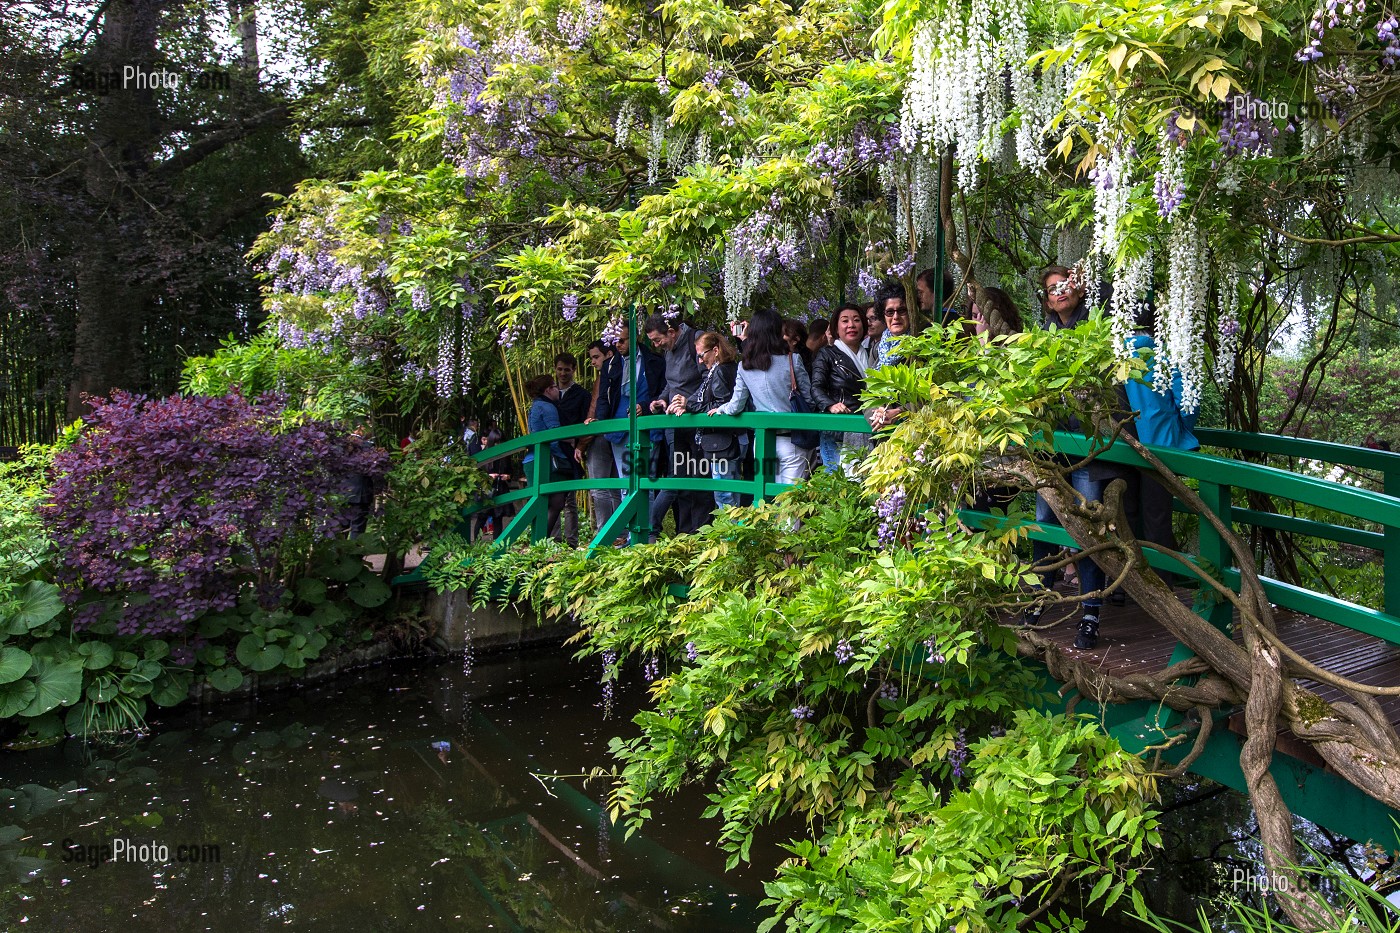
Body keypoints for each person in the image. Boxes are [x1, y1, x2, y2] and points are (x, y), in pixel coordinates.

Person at [1026, 265, 1111, 649]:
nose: (1058, 293)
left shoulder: (1096, 320)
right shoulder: (1045, 333)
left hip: (1087, 444)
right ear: (1045, 300)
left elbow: (1113, 296)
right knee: (1044, 522)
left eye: (1065, 286)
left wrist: (1089, 279)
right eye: (1051, 290)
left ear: (1077, 289)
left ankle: (1091, 612)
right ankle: (1040, 596)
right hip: (1051, 445)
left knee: (1087, 528)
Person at [1123, 304, 1199, 587]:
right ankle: (1161, 583)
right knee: (1156, 518)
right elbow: (1188, 402)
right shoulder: (1166, 354)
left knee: (1129, 516)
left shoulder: (1113, 354)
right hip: (1161, 446)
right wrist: (1181, 431)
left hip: (1121, 448)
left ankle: (1131, 586)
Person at [708, 308, 814, 486]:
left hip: (763, 442)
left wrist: (720, 409)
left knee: (765, 501)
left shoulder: (745, 366)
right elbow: (809, 399)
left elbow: (736, 406)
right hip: (793, 439)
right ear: (778, 331)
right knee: (790, 502)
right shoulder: (792, 359)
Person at [645, 311, 709, 536]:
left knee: (700, 477)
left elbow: (710, 380)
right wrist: (662, 399)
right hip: (676, 424)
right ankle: (684, 534)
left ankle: (701, 533)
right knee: (680, 479)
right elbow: (672, 384)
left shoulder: (696, 341)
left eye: (657, 340)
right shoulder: (668, 350)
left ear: (671, 332)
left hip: (698, 421)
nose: (656, 345)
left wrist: (689, 403)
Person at [673, 331, 741, 509]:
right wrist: (684, 404)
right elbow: (699, 399)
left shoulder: (720, 371)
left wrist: (688, 405)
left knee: (724, 495)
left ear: (715, 350)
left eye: (702, 355)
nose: (700, 361)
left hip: (722, 442)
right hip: (722, 442)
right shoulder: (718, 370)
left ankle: (730, 535)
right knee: (728, 492)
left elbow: (720, 405)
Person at [811, 303, 873, 471]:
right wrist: (830, 405)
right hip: (838, 432)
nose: (851, 325)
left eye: (856, 320)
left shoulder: (871, 353)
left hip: (868, 428)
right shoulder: (827, 354)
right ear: (836, 328)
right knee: (838, 486)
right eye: (845, 321)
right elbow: (816, 387)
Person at [524, 374, 573, 546]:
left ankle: (538, 542)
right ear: (548, 390)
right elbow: (554, 434)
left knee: (546, 502)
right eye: (554, 387)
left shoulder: (535, 406)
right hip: (548, 459)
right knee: (555, 501)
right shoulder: (547, 407)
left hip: (534, 458)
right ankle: (538, 542)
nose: (558, 390)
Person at [581, 340, 621, 530]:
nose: (593, 362)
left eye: (596, 357)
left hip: (603, 435)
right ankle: (620, 530)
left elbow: (594, 408)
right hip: (616, 434)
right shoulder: (619, 372)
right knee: (615, 487)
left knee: (599, 487)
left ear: (609, 355)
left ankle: (604, 531)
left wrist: (582, 443)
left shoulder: (605, 376)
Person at [867, 284, 915, 431]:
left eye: (902, 310)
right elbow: (869, 394)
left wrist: (901, 412)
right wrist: (877, 412)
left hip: (915, 433)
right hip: (885, 437)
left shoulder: (922, 345)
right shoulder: (877, 349)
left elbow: (933, 394)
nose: (896, 317)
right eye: (889, 312)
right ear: (883, 316)